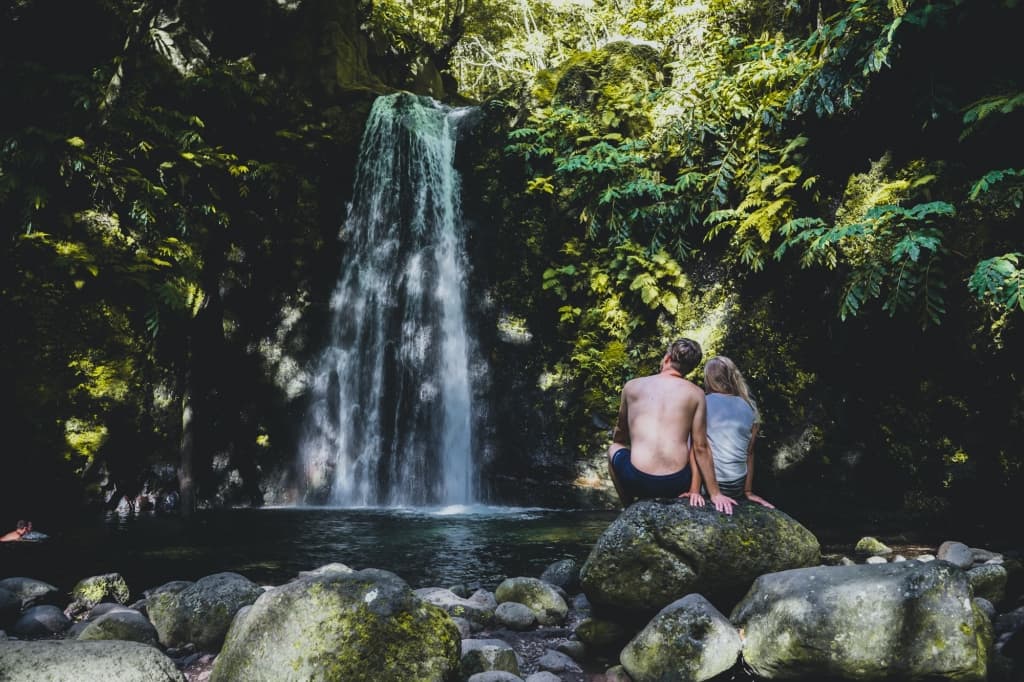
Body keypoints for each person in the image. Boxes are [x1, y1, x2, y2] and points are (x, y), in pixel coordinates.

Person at [607, 338, 737, 514]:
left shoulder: (631, 387)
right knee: (693, 443)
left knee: (614, 448)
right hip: (675, 483)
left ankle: (629, 508)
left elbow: (620, 433)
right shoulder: (696, 393)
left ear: (667, 358)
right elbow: (700, 447)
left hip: (637, 480)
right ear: (690, 369)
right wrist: (715, 493)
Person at [698, 356, 774, 508]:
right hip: (736, 486)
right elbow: (749, 452)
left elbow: (699, 448)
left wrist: (701, 490)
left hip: (710, 485)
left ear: (708, 378)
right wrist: (748, 491)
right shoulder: (750, 406)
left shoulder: (703, 402)